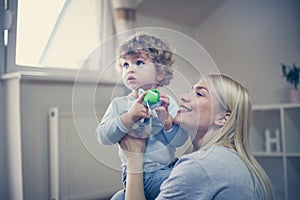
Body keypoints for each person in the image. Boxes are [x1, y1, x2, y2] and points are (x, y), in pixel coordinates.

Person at [120, 74, 274, 200]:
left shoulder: (199, 166)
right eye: (190, 90)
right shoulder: (228, 160)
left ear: (222, 118)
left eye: (200, 94)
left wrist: (134, 159)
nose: (183, 97)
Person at [96, 32, 188, 200]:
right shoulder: (119, 104)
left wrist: (168, 122)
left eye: (138, 62)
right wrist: (128, 117)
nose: (129, 68)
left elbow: (180, 141)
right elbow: (103, 137)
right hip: (139, 174)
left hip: (166, 168)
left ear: (160, 73)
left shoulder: (167, 103)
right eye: (125, 64)